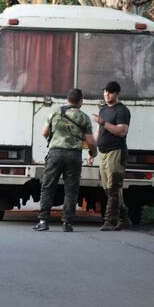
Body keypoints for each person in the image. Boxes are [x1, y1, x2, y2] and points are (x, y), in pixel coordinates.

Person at [33, 88, 97, 232]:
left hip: (55, 153)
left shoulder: (55, 112)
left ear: (67, 99)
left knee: (48, 186)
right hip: (74, 155)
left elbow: (44, 133)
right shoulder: (84, 117)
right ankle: (67, 224)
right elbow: (91, 142)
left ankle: (43, 221)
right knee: (71, 190)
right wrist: (93, 152)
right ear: (81, 101)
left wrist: (55, 140)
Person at [90, 81, 132, 231]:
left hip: (116, 151)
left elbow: (121, 131)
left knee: (114, 187)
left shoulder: (122, 111)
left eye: (110, 92)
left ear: (117, 94)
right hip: (103, 152)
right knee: (107, 188)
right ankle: (124, 218)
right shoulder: (103, 110)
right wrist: (92, 150)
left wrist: (103, 122)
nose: (107, 95)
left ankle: (109, 220)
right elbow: (97, 132)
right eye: (105, 92)